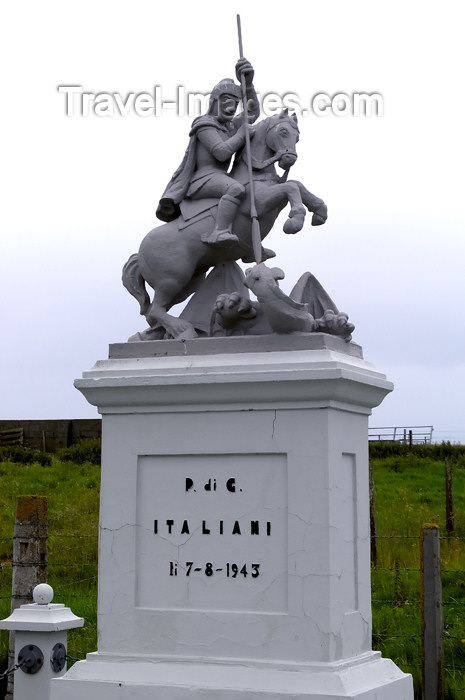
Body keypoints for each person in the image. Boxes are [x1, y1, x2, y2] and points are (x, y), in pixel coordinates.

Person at [156, 58, 259, 246]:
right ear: (214, 102)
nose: (231, 107)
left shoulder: (229, 126)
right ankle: (220, 232)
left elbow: (251, 115)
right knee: (236, 189)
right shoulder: (204, 124)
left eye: (235, 103)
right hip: (201, 180)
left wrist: (249, 84)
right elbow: (221, 152)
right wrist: (242, 135)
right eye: (226, 100)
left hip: (220, 176)